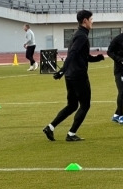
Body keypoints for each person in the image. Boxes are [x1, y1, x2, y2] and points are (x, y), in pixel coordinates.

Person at [42, 10, 105, 142]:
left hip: (71, 75)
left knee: (72, 105)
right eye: (91, 19)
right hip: (78, 75)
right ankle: (71, 134)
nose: (92, 22)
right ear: (85, 21)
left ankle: (50, 127)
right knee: (85, 105)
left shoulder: (78, 34)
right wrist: (62, 70)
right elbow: (73, 54)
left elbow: (82, 56)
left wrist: (96, 58)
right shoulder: (82, 36)